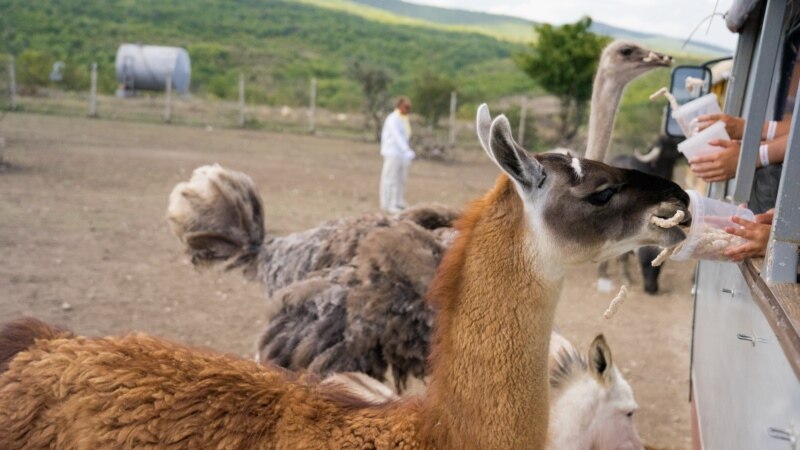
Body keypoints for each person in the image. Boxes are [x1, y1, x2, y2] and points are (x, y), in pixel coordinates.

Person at [379, 96, 415, 213]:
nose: (408, 109)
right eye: (406, 107)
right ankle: (389, 204)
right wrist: (406, 149)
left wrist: (406, 151)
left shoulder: (403, 118)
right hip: (392, 152)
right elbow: (396, 136)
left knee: (401, 178)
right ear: (399, 106)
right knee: (391, 179)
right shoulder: (392, 119)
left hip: (402, 154)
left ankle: (398, 201)